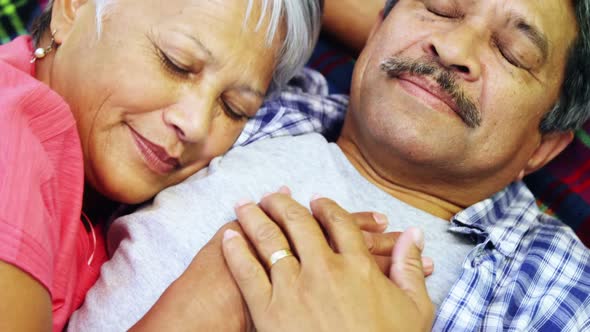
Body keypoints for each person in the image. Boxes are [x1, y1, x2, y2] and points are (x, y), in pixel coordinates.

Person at [69, 0, 590, 331]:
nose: (451, 47)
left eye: (513, 53)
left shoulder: (560, 293)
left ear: (543, 148)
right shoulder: (243, 100)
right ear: (379, 25)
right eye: (439, 6)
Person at [0, 0, 326, 330]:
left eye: (234, 108)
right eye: (176, 64)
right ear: (73, 8)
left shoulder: (98, 188)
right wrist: (201, 307)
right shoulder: (9, 142)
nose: (196, 124)